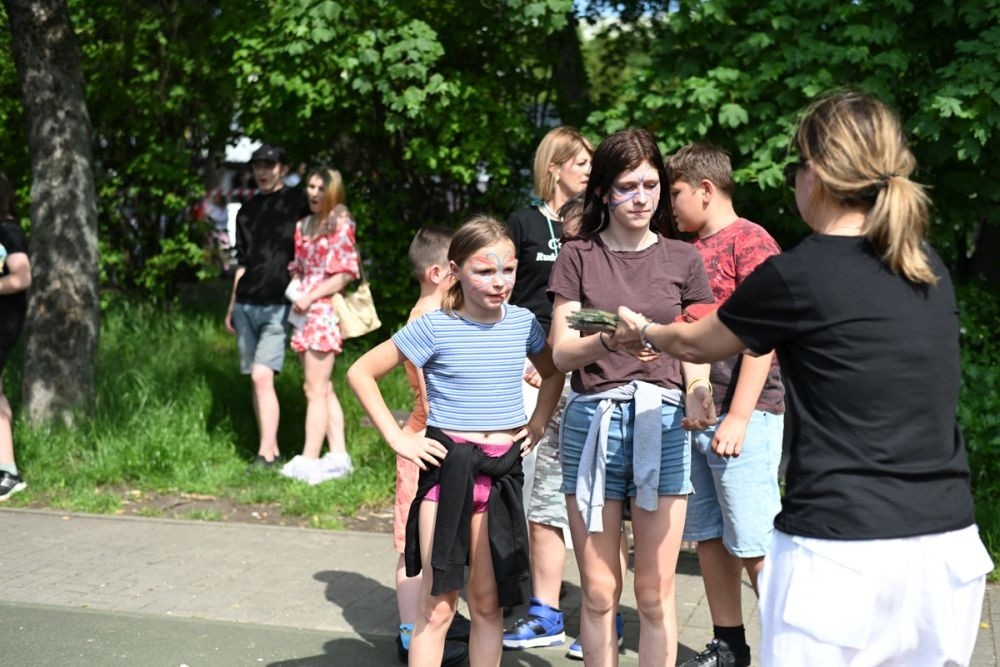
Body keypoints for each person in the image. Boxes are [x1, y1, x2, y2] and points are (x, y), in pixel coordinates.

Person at [617, 90, 994, 666]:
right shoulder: (924, 264)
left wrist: (643, 329)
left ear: (814, 174)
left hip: (840, 552)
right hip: (947, 550)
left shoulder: (796, 275)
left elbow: (695, 341)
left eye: (795, 167)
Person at [347, 216, 564, 667]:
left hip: (502, 474)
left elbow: (553, 371)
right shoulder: (434, 326)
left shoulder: (523, 323)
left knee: (488, 604)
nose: (500, 281)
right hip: (448, 475)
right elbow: (361, 372)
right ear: (455, 270)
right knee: (439, 606)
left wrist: (539, 422)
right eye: (484, 270)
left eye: (508, 269)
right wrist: (399, 438)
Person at [547, 128, 717, 666]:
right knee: (599, 592)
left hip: (661, 424)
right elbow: (561, 352)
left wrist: (698, 387)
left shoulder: (683, 258)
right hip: (592, 423)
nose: (641, 197)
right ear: (603, 192)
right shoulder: (577, 255)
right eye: (627, 186)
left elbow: (695, 342)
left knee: (654, 592)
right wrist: (610, 341)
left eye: (651, 184)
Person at [665, 143, 785, 667]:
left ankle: (794, 645)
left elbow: (766, 334)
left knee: (754, 539)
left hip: (748, 415)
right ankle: (729, 644)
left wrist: (737, 416)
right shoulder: (687, 249)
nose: (669, 204)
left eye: (675, 192)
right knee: (709, 536)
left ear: (706, 190)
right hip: (700, 413)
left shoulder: (750, 241)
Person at [502, 126, 599, 653]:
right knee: (533, 483)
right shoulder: (523, 223)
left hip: (581, 364)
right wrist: (528, 356)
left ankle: (599, 612)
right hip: (530, 365)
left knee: (588, 495)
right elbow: (502, 292)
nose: (589, 170)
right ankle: (533, 598)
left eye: (591, 163)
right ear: (554, 167)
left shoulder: (600, 223)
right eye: (580, 162)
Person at [392, 225, 471, 665]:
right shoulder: (425, 320)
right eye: (458, 270)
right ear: (439, 273)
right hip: (424, 440)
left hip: (432, 437)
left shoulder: (437, 313)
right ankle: (411, 630)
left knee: (434, 538)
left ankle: (434, 616)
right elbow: (432, 392)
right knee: (412, 544)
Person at [225, 144, 310, 468]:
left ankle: (266, 453)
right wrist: (232, 305)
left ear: (283, 169)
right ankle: (269, 449)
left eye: (269, 165)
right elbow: (242, 263)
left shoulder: (298, 202)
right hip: (247, 303)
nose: (262, 171)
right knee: (256, 379)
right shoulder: (246, 211)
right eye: (258, 165)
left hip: (280, 304)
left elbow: (315, 244)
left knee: (262, 376)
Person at [278, 167, 359, 484]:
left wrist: (310, 295)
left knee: (313, 389)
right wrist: (298, 286)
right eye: (310, 186)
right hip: (302, 310)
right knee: (321, 387)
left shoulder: (340, 222)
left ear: (332, 191)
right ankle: (338, 456)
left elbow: (346, 272)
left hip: (322, 311)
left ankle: (309, 459)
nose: (313, 192)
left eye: (320, 188)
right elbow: (299, 266)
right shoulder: (304, 225)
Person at [0, 170, 31, 501]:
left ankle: (9, 473)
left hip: (5, 321)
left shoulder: (8, 231)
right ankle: (5, 466)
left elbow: (22, 277)